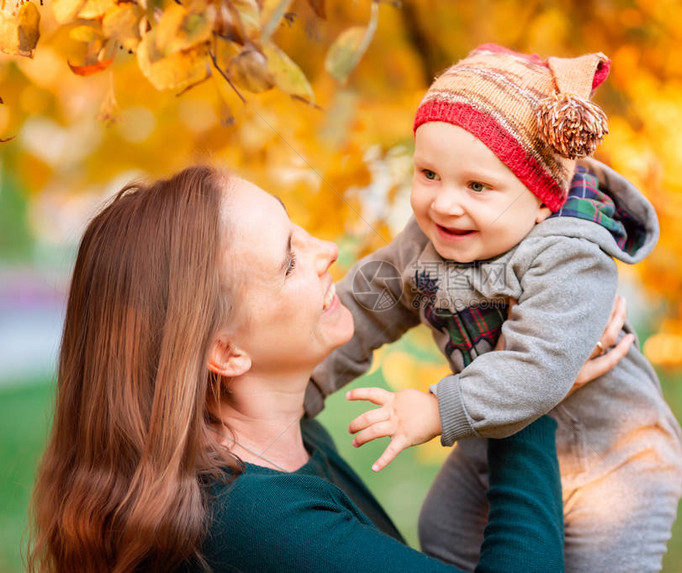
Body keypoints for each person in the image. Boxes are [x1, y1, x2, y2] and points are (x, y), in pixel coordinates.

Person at [27, 166, 627, 572]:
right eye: (289, 260)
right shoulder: (253, 522)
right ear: (226, 352)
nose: (327, 251)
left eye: (295, 227)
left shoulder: (283, 442)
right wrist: (527, 390)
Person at [305, 44, 682, 572]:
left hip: (611, 460)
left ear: (540, 200)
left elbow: (538, 367)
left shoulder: (570, 255)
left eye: (478, 186)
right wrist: (299, 389)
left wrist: (438, 410)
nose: (444, 203)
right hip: (494, 440)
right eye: (429, 174)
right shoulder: (423, 243)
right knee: (443, 529)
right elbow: (361, 310)